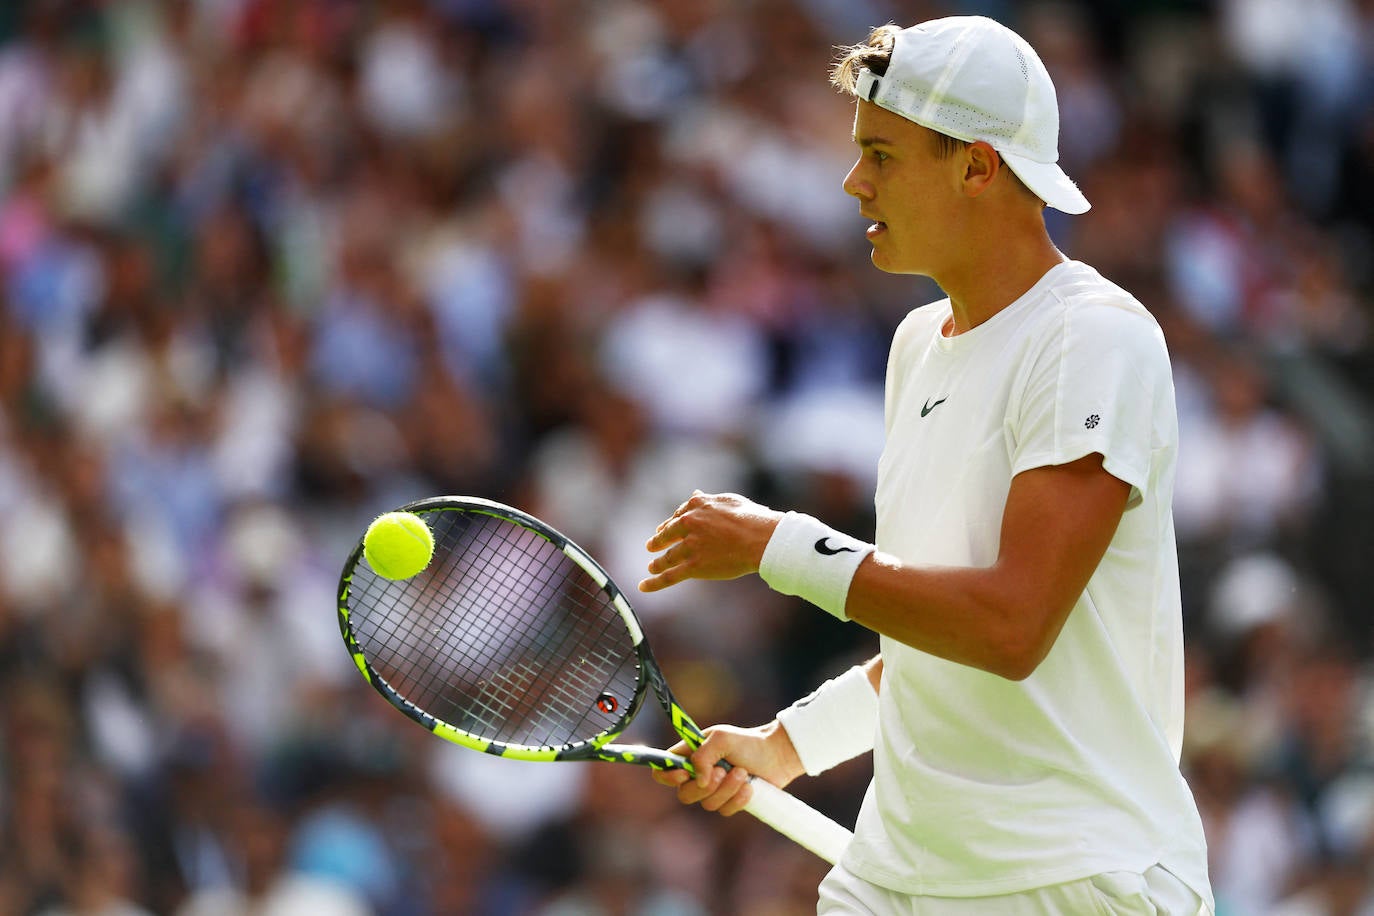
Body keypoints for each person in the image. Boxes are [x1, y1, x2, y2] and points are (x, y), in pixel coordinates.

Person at [638, 16, 1215, 916]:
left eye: (883, 154)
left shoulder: (1093, 337)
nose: (852, 181)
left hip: (1080, 881)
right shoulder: (917, 346)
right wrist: (788, 745)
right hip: (898, 880)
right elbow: (929, 637)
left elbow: (1008, 627)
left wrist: (777, 545)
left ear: (978, 167)